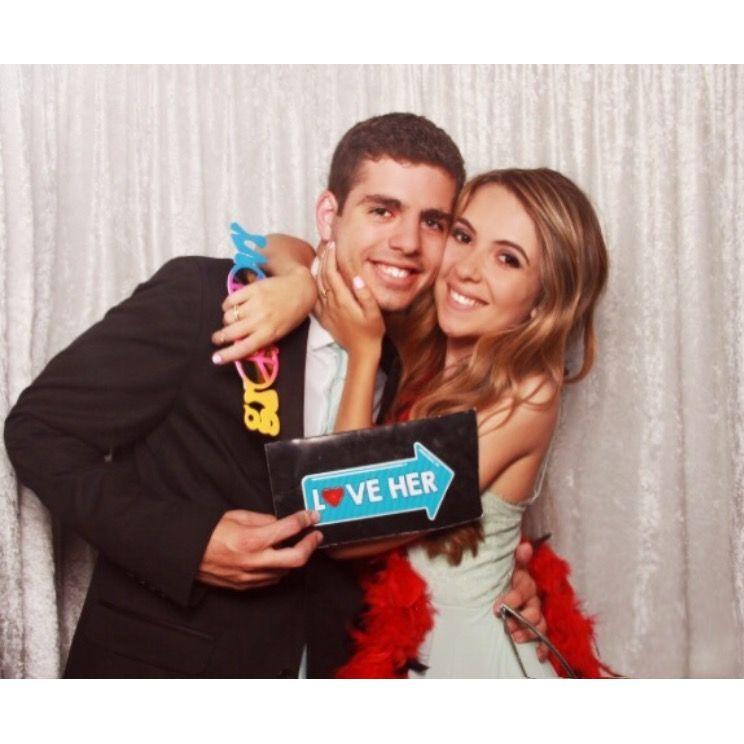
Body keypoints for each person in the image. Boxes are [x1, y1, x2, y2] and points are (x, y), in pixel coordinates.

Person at [3, 113, 545, 678]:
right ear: (330, 215)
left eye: (433, 222)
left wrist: (501, 571)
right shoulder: (206, 300)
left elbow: (398, 520)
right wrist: (191, 544)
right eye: (382, 210)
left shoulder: (416, 361)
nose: (407, 243)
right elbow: (39, 431)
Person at [265, 167, 609, 677]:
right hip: (408, 657)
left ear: (544, 299)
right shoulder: (421, 346)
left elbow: (344, 527)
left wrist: (363, 353)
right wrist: (298, 283)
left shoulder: (527, 394)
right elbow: (274, 245)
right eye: (464, 237)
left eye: (507, 259)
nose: (467, 269)